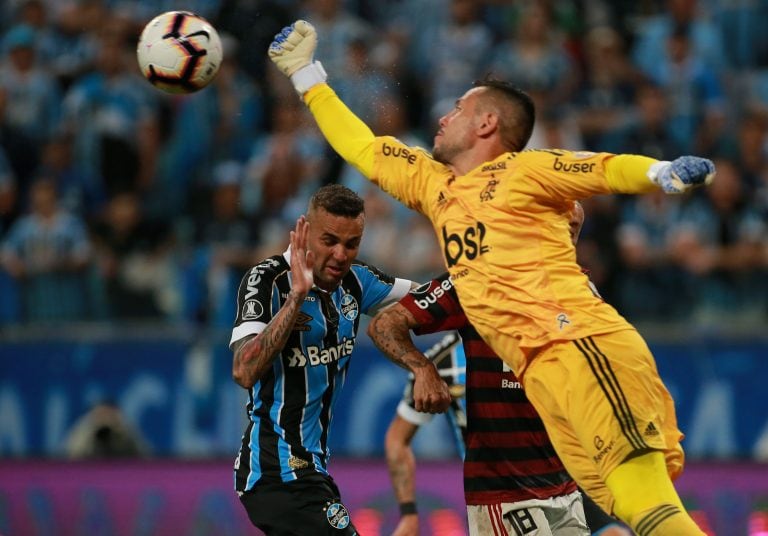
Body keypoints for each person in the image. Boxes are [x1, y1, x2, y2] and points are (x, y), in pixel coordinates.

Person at [268, 21, 716, 535]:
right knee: (633, 509)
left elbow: (597, 168)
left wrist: (660, 172)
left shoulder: (524, 171)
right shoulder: (434, 186)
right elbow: (364, 149)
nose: (443, 115)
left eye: (457, 108)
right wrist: (307, 75)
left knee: (649, 503)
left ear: (486, 123)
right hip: (541, 374)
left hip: (578, 343)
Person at [373, 202, 631, 535]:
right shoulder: (477, 282)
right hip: (505, 492)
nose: (567, 241)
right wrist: (424, 369)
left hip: (564, 484)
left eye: (574, 232)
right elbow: (384, 324)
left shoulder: (581, 293)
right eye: (559, 228)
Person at [228, 184, 451, 535]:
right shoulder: (267, 280)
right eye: (329, 240)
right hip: (275, 471)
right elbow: (243, 370)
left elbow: (432, 300)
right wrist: (296, 299)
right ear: (304, 230)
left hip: (312, 468)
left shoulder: (357, 282)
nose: (340, 255)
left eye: (351, 244)